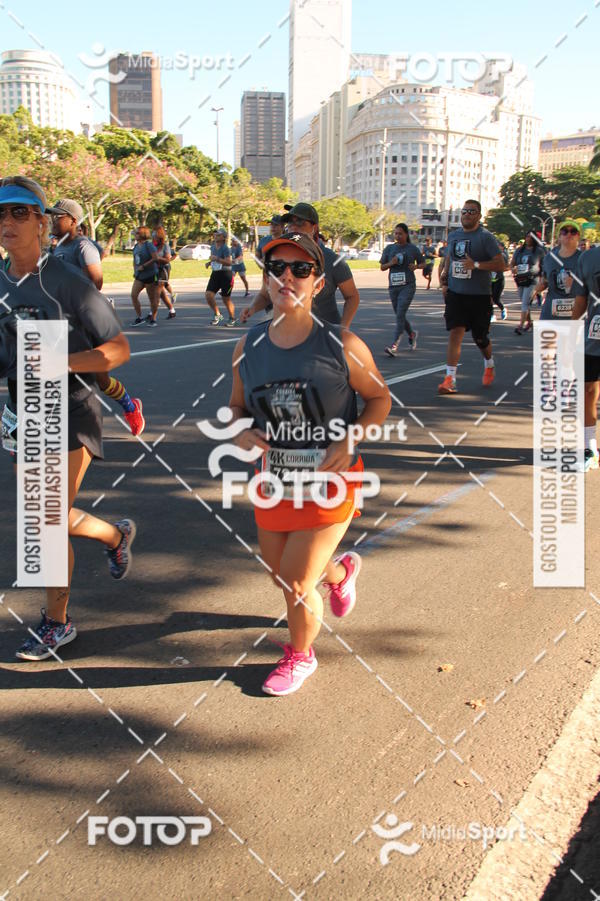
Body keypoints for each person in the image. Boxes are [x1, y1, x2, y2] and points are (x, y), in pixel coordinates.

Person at [229, 233, 391, 695]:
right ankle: (342, 572)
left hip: (331, 482)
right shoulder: (248, 345)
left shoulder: (342, 344)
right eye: (277, 266)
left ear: (318, 284)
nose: (288, 277)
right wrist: (240, 429)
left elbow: (380, 399)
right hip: (275, 480)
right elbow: (236, 407)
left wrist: (353, 434)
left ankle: (300, 655)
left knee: (297, 580)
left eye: (301, 269)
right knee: (280, 573)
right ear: (265, 278)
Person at [0, 175, 136, 660]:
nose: (8, 222)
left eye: (20, 212)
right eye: (1, 213)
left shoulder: (66, 280)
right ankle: (114, 533)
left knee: (43, 523)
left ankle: (57, 623)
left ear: (41, 221)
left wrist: (63, 362)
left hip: (70, 412)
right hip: (22, 413)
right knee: (46, 518)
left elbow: (117, 348)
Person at [51, 199, 144, 436]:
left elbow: (96, 282)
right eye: (52, 215)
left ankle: (131, 407)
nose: (52, 219)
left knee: (101, 381)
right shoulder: (56, 248)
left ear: (73, 221)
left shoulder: (82, 247)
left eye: (58, 216)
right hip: (64, 322)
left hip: (87, 320)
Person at [241, 203, 360, 328]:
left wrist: (344, 327)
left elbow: (352, 296)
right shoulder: (276, 256)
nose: (293, 227)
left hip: (323, 337)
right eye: (290, 223)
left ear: (314, 227)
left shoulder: (333, 260)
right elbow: (265, 295)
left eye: (300, 223)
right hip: (285, 334)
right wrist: (252, 308)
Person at [437, 200, 505, 395]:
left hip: (479, 296)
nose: (466, 214)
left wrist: (476, 265)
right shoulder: (454, 236)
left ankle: (489, 363)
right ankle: (450, 379)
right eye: (464, 211)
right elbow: (450, 258)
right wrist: (445, 281)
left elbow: (501, 264)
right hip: (456, 294)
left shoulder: (486, 238)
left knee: (480, 338)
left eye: (471, 211)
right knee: (455, 333)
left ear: (479, 216)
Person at [572, 228, 600, 471]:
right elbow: (582, 298)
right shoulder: (588, 258)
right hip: (595, 334)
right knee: (588, 390)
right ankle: (589, 448)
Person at [380, 223, 423, 356]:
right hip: (393, 286)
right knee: (400, 315)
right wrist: (391, 263)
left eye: (400, 233)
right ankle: (411, 334)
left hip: (408, 285)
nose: (397, 236)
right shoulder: (389, 248)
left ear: (406, 234)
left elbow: (423, 263)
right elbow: (382, 267)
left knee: (400, 314)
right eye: (396, 233)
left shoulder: (412, 249)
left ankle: (394, 345)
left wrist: (416, 267)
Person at [539, 220, 582, 322]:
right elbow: (545, 280)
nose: (569, 234)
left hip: (576, 317)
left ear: (578, 236)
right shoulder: (549, 258)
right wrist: (539, 286)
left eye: (573, 231)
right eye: (564, 231)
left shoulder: (585, 258)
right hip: (550, 315)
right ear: (559, 237)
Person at [511, 232, 545, 335]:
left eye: (531, 237)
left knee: (525, 302)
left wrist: (542, 279)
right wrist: (513, 269)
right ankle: (529, 322)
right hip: (521, 279)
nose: (528, 239)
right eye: (527, 236)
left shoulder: (539, 251)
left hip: (532, 279)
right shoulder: (519, 250)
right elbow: (512, 263)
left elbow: (544, 265)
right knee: (524, 302)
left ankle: (520, 325)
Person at [205, 228, 236, 326]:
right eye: (215, 235)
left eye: (218, 235)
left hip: (226, 274)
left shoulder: (225, 248)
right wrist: (209, 263)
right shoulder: (213, 247)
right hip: (215, 273)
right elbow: (214, 259)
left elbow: (229, 262)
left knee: (225, 299)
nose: (215, 236)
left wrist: (217, 259)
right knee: (208, 295)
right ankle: (218, 314)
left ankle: (232, 318)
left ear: (223, 238)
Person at [130, 226, 160, 327]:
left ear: (143, 234)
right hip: (140, 275)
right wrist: (135, 270)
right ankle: (139, 317)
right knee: (134, 295)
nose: (135, 234)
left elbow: (155, 258)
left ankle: (153, 319)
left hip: (150, 274)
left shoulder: (149, 245)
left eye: (137, 233)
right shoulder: (136, 246)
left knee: (152, 298)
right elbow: (135, 260)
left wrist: (144, 266)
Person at [153, 226, 176, 319]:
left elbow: (168, 258)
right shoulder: (153, 245)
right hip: (155, 269)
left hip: (164, 269)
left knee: (157, 292)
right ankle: (172, 310)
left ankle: (152, 316)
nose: (153, 236)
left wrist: (158, 259)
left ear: (159, 236)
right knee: (161, 293)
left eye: (155, 235)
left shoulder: (165, 246)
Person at [490, 241, 508, 322]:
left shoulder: (502, 255)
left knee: (496, 299)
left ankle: (503, 308)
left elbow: (505, 267)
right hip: (490, 280)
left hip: (499, 279)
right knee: (489, 298)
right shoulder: (489, 255)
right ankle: (492, 315)